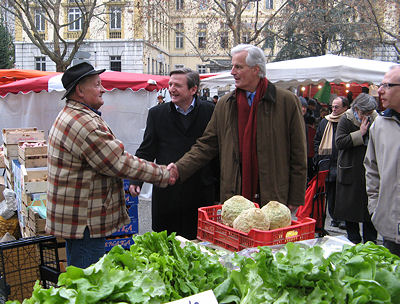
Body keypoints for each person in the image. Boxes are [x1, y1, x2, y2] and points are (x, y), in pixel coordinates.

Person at [46, 62, 175, 269]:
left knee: (81, 280)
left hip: (81, 220)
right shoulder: (82, 122)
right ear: (80, 90)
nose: (103, 89)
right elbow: (117, 162)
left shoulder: (77, 115)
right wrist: (162, 174)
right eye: (97, 84)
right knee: (88, 285)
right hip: (84, 223)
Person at [168, 44, 307, 210]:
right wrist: (179, 168)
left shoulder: (287, 102)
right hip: (234, 198)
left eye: (238, 67)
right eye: (232, 66)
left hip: (274, 198)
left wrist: (295, 198)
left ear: (256, 69)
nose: (232, 72)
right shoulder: (225, 104)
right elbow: (206, 145)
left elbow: (298, 154)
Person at [129, 68, 218, 240]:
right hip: (167, 195)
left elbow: (217, 152)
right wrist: (136, 178)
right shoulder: (157, 114)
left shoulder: (210, 111)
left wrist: (219, 192)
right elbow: (147, 150)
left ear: (193, 89)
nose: (171, 89)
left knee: (201, 250)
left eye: (177, 85)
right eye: (170, 84)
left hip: (201, 193)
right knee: (166, 249)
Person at [365, 65, 400, 256]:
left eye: (387, 85)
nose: (380, 90)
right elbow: (371, 168)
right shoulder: (380, 124)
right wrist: (375, 209)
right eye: (381, 84)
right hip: (390, 229)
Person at [334, 93, 378, 244]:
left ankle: (370, 244)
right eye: (364, 112)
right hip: (350, 171)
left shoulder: (376, 119)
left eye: (369, 112)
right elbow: (339, 142)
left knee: (369, 212)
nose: (366, 115)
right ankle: (353, 243)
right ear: (357, 108)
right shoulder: (346, 119)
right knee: (350, 212)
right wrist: (361, 133)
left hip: (368, 172)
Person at [314, 96, 349, 229]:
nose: (333, 109)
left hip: (342, 164)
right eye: (332, 107)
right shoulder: (325, 122)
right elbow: (317, 139)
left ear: (345, 108)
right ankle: (334, 217)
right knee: (330, 193)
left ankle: (342, 218)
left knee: (342, 193)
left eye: (337, 107)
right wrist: (318, 156)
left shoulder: (347, 121)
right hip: (327, 163)